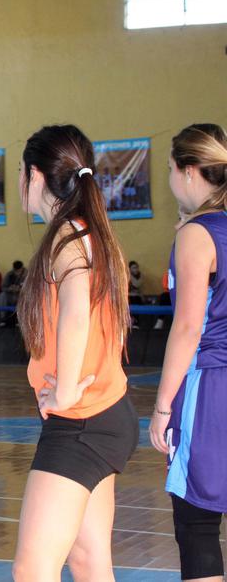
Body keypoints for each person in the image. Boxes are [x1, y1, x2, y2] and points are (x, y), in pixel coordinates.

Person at [11, 126, 138, 580]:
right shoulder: (88, 231)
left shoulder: (67, 235)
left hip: (81, 422)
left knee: (32, 570)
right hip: (104, 417)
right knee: (87, 562)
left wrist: (63, 392)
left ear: (34, 175)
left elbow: (77, 309)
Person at [148, 123, 227, 582]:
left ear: (190, 171)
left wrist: (161, 407)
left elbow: (187, 326)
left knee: (196, 525)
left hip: (211, 386)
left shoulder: (198, 233)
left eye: (171, 170)